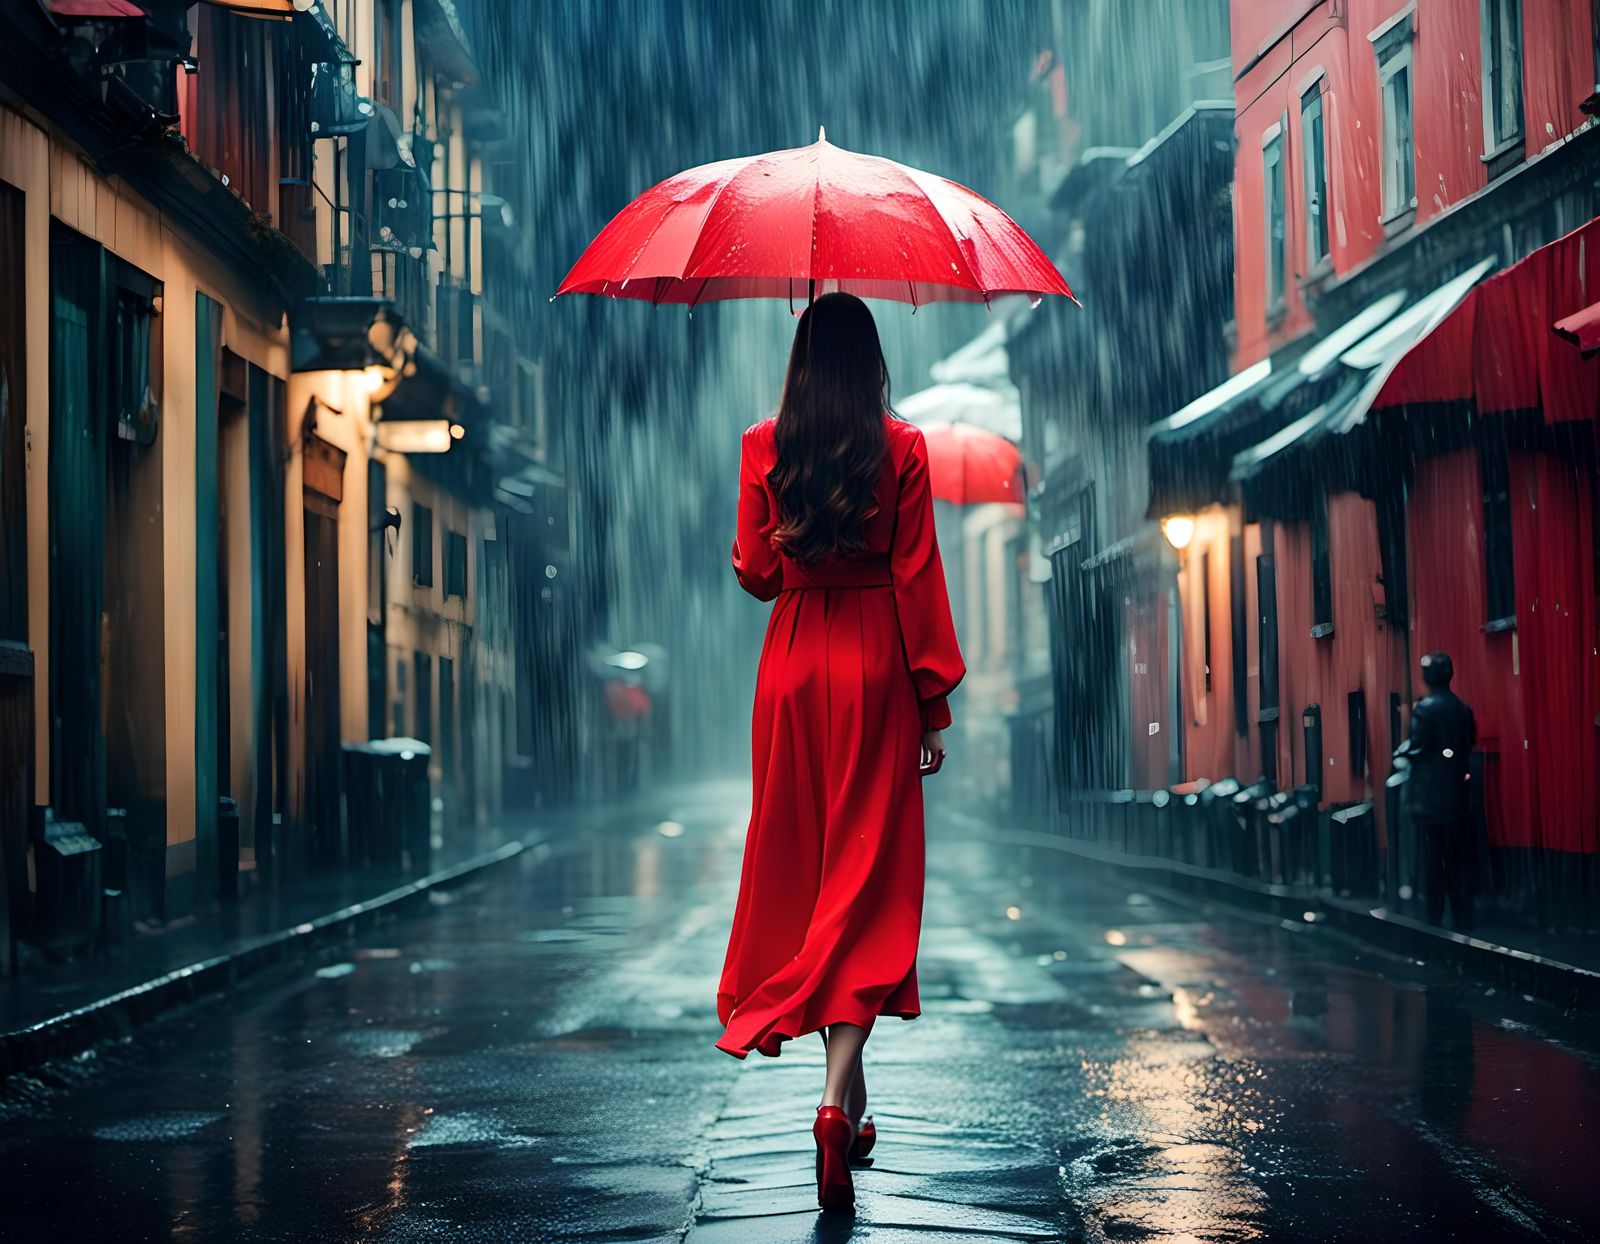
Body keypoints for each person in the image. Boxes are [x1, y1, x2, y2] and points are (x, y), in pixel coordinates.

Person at [715, 293, 965, 1211]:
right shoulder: (901, 449)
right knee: (868, 880)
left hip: (790, 666)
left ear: (800, 360)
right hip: (872, 667)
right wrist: (930, 698)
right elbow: (915, 575)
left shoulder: (761, 445)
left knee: (816, 874)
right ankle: (833, 1107)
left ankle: (851, 1117)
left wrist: (794, 550)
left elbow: (755, 572)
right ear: (872, 362)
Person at [1404, 652, 1477, 931]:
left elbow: (1417, 746)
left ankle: (1434, 914)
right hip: (1457, 792)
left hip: (1430, 796)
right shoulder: (1461, 708)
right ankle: (1463, 914)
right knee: (1458, 857)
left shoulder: (1425, 709)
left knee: (1433, 860)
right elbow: (1469, 741)